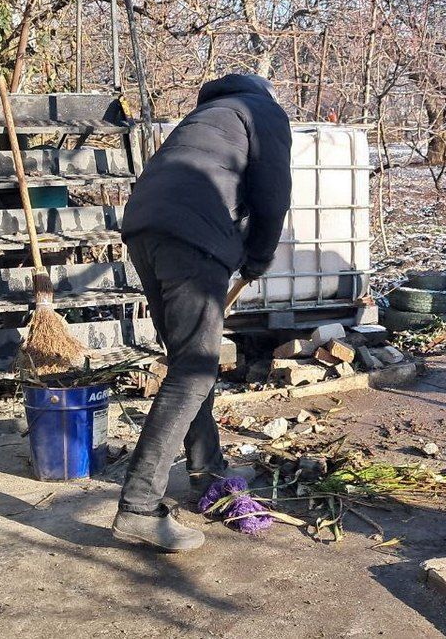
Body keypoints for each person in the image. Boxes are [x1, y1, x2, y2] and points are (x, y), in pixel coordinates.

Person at [113, 74, 292, 551]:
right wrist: (257, 256)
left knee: (189, 362)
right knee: (194, 371)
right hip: (194, 237)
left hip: (144, 229)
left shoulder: (205, 117)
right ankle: (138, 506)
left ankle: (206, 472)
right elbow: (273, 194)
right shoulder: (261, 111)